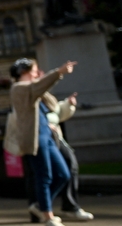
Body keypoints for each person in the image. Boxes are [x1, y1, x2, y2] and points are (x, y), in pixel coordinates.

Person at [9, 58, 77, 226]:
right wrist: (58, 72)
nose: (36, 73)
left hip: (46, 134)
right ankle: (48, 216)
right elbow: (35, 88)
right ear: (23, 72)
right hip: (35, 137)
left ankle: (40, 206)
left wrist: (43, 82)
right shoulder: (18, 88)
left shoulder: (34, 88)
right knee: (44, 176)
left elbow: (52, 105)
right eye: (33, 70)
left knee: (63, 174)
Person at [45, 91, 94, 222]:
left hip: (54, 136)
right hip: (40, 137)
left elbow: (57, 112)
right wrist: (44, 125)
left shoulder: (45, 94)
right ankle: (42, 208)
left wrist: (68, 104)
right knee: (44, 174)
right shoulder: (29, 90)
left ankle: (67, 206)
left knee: (68, 167)